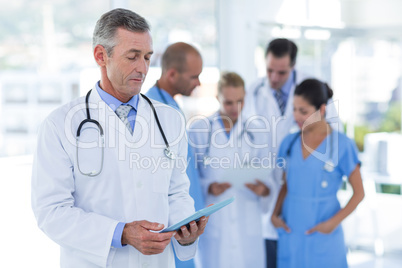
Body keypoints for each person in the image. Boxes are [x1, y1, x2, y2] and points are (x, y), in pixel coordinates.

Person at [31, 8, 208, 268]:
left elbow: (177, 192)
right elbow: (51, 212)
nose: (143, 68)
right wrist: (120, 233)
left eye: (147, 57)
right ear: (101, 56)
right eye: (132, 57)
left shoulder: (169, 120)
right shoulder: (60, 125)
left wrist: (186, 230)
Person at [244, 38, 341, 268]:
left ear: (293, 66)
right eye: (269, 70)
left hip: (306, 196)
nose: (274, 78)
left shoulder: (314, 89)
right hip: (270, 195)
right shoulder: (254, 92)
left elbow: (332, 136)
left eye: (282, 72)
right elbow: (248, 142)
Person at [271, 79, 365, 268]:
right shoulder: (288, 143)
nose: (296, 116)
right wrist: (274, 214)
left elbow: (359, 193)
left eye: (303, 111)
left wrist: (332, 224)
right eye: (294, 109)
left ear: (321, 109)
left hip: (324, 233)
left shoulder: (343, 145)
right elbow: (287, 184)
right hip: (292, 231)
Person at [188, 72, 274, 268]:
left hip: (248, 216)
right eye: (228, 102)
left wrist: (264, 190)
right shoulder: (200, 130)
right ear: (218, 98)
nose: (235, 108)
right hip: (215, 219)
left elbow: (269, 178)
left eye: (240, 101)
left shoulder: (257, 131)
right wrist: (209, 187)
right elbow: (189, 179)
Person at [145, 42, 204, 268]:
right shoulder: (152, 111)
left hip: (185, 224)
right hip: (169, 227)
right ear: (172, 74)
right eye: (193, 76)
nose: (198, 83)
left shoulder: (172, 106)